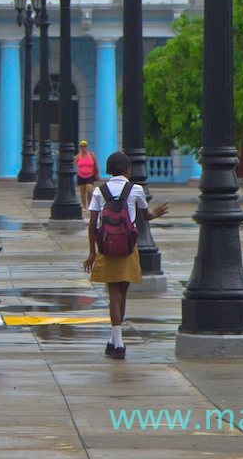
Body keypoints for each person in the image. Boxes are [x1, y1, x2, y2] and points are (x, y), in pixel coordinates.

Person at [83, 150, 169, 360]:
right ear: (128, 170)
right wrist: (156, 213)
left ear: (108, 169)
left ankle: (116, 341)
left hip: (107, 246)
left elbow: (93, 224)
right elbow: (145, 215)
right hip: (129, 246)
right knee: (122, 291)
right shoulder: (135, 189)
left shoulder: (99, 191)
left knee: (113, 292)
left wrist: (92, 252)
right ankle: (116, 340)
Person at [76, 140, 99, 210]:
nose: (83, 148)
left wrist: (97, 173)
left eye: (84, 146)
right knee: (82, 192)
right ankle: (84, 207)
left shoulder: (91, 155)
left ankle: (90, 204)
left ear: (87, 147)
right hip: (81, 175)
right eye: (81, 147)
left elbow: (95, 164)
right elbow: (73, 164)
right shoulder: (78, 156)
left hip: (90, 175)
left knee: (89, 190)